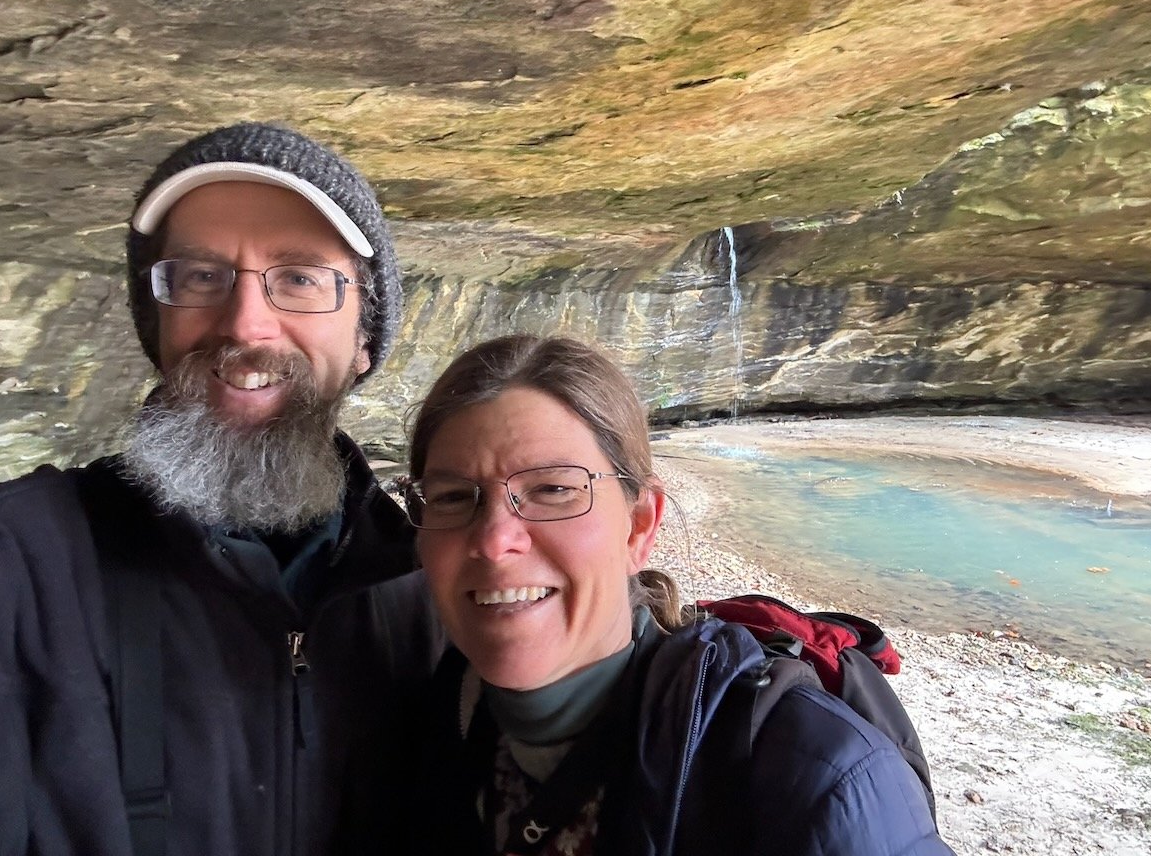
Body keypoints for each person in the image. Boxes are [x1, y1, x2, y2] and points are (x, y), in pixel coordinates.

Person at [0, 122, 442, 856]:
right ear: (156, 324)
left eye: (300, 279)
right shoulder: (12, 563)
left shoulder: (432, 586)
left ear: (364, 339)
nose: (246, 324)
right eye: (201, 277)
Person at [400, 334, 954, 856]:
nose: (494, 541)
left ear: (639, 527)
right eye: (453, 497)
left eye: (552, 489)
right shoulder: (423, 720)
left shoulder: (816, 775)